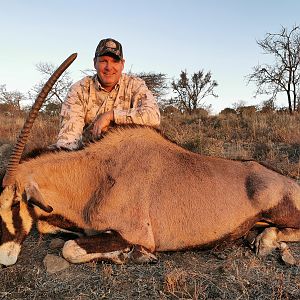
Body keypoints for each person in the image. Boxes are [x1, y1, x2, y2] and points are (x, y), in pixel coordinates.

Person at [56, 38, 161, 150]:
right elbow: (69, 140)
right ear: (94, 63)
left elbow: (153, 116)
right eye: (103, 61)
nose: (109, 67)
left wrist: (112, 115)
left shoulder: (135, 85)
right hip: (88, 153)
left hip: (128, 152)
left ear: (122, 64)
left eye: (115, 61)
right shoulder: (79, 89)